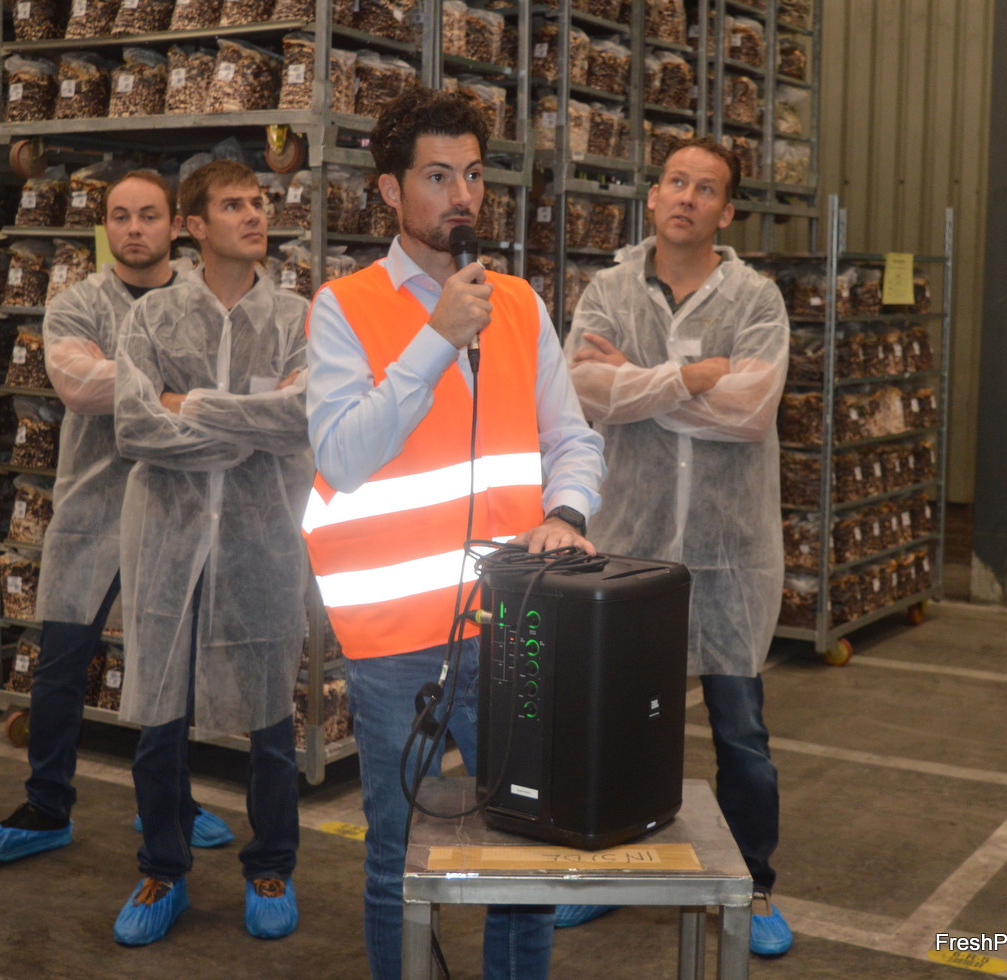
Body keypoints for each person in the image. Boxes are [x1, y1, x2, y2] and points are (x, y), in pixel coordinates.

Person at [303, 88, 606, 980]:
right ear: (390, 191)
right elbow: (343, 455)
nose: (462, 196)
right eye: (437, 177)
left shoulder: (519, 303)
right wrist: (435, 339)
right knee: (396, 857)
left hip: (513, 625)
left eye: (472, 174)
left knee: (528, 849)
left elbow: (571, 437)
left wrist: (566, 512)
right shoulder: (344, 307)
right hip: (396, 641)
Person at [558, 136, 793, 957]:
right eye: (676, 182)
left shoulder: (757, 300)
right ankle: (603, 874)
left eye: (707, 188)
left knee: (742, 737)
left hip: (730, 559)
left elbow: (751, 412)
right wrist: (691, 376)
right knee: (621, 728)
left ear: (727, 212)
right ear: (653, 196)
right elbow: (585, 390)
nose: (687, 197)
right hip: (633, 551)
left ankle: (754, 886)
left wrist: (641, 380)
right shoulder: (609, 291)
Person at [0, 170, 234, 864]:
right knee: (61, 664)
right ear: (106, 226)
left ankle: (170, 803)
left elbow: (229, 385)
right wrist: (175, 386)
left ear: (176, 225)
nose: (133, 229)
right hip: (91, 510)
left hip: (174, 512)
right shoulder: (77, 302)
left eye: (148, 215)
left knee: (166, 670)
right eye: (120, 216)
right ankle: (46, 806)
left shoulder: (204, 300)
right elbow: (78, 385)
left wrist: (144, 379)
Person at [110, 159, 314, 946]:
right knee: (160, 715)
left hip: (263, 546)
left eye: (258, 203)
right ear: (194, 226)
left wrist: (187, 403)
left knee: (271, 720)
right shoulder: (152, 319)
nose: (255, 215)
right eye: (234, 205)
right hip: (168, 544)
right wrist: (245, 424)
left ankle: (272, 865)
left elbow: (300, 420)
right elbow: (136, 427)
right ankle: (163, 868)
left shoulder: (298, 319)